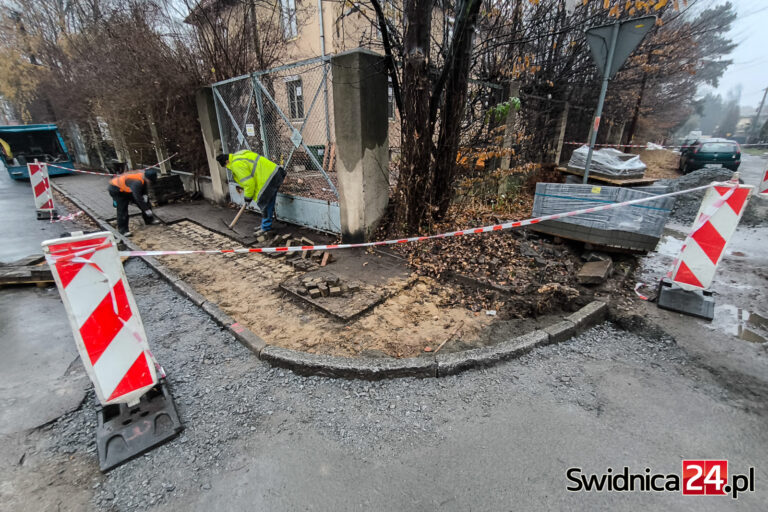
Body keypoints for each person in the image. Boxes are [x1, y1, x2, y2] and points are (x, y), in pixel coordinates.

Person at [216, 150, 286, 233]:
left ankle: (265, 228)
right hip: (274, 173)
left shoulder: (236, 165)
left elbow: (249, 183)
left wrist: (248, 198)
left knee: (264, 204)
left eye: (226, 166)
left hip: (267, 178)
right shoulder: (238, 155)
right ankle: (265, 225)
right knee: (268, 203)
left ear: (227, 161)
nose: (227, 167)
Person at [107, 169, 159, 236]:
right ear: (146, 178)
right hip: (116, 189)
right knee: (122, 209)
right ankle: (123, 231)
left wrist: (145, 198)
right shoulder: (137, 182)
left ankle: (149, 220)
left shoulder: (144, 178)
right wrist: (146, 209)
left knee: (146, 203)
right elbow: (137, 197)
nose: (150, 183)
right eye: (150, 181)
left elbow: (144, 191)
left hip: (127, 188)